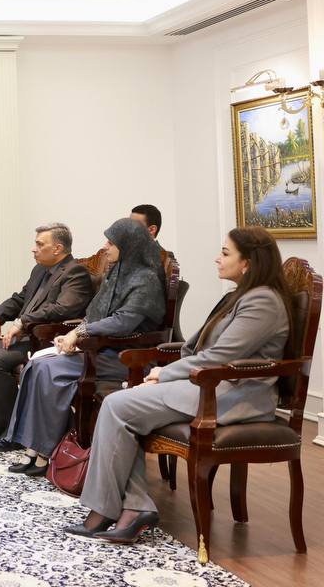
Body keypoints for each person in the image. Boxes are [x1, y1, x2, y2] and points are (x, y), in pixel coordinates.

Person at [69, 227, 292, 543]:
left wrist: (163, 374)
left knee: (118, 405)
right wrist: (166, 374)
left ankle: (110, 510)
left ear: (248, 263)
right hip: (211, 385)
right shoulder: (242, 295)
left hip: (232, 393)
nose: (217, 258)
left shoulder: (263, 301)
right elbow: (205, 350)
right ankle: (133, 507)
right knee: (121, 406)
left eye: (225, 253)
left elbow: (220, 356)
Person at [0, 218, 166, 472]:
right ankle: (32, 445)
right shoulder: (118, 273)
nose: (105, 247)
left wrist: (80, 333)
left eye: (111, 242)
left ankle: (46, 450)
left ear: (128, 245)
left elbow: (123, 322)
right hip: (101, 349)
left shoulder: (146, 280)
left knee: (49, 370)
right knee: (36, 365)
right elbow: (95, 314)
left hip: (126, 357)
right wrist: (72, 334)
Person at [0, 223, 93, 442]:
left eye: (39, 244)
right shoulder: (40, 270)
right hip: (26, 337)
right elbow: (19, 299)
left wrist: (22, 322)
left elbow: (63, 309)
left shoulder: (75, 272)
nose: (33, 249)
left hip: (45, 340)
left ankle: (12, 430)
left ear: (57, 248)